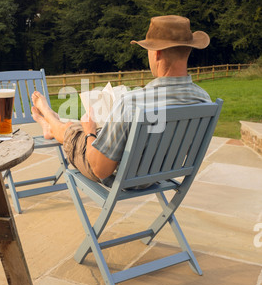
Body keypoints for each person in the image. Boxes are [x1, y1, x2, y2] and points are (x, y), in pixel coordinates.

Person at [31, 15, 211, 185]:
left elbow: (101, 169)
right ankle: (53, 126)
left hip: (124, 178)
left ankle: (49, 120)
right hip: (158, 173)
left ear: (156, 54)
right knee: (85, 126)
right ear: (188, 50)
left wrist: (90, 133)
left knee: (74, 130)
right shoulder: (204, 100)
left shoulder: (133, 103)